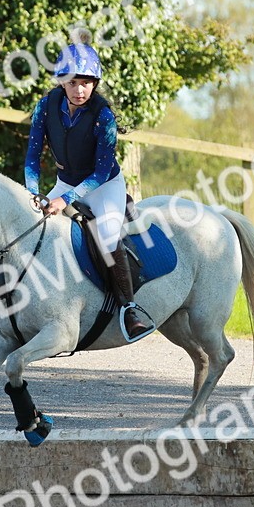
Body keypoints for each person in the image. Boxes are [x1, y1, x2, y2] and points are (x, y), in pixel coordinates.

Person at [23, 39, 155, 343]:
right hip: (66, 182)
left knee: (107, 236)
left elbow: (98, 173)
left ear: (94, 84)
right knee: (34, 225)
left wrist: (63, 199)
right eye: (72, 82)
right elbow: (32, 157)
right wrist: (33, 192)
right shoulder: (45, 106)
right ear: (62, 82)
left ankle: (129, 309)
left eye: (86, 83)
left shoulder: (104, 116)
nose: (79, 89)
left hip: (104, 186)